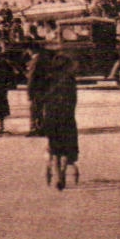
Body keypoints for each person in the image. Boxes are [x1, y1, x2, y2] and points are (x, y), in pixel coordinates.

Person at [40, 52, 80, 189]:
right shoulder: (70, 80)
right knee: (66, 149)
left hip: (51, 117)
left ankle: (57, 175)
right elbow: (73, 100)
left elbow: (42, 98)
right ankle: (62, 174)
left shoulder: (48, 79)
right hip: (67, 118)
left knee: (55, 149)